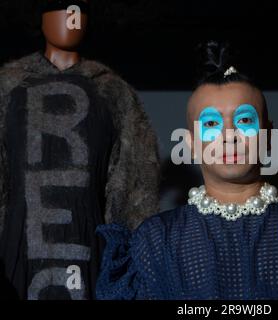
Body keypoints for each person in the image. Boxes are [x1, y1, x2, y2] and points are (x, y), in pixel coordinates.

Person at [96, 41, 278, 300]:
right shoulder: (155, 241)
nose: (229, 134)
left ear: (268, 134)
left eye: (243, 119)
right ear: (190, 143)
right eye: (210, 124)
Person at [0, 0, 159, 299]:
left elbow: (136, 190)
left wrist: (125, 264)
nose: (69, 19)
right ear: (40, 17)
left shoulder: (113, 93)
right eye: (60, 9)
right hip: (16, 255)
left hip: (90, 254)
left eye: (77, 11)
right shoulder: (8, 88)